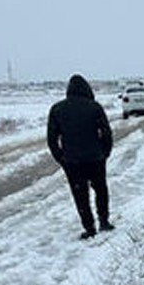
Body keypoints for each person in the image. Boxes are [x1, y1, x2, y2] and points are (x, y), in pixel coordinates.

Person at [47, 74, 114, 240]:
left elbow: (51, 139)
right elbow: (106, 133)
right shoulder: (95, 107)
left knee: (80, 195)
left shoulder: (57, 109)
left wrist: (61, 158)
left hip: (72, 161)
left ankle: (89, 228)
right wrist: (105, 152)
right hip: (95, 158)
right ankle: (104, 221)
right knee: (101, 190)